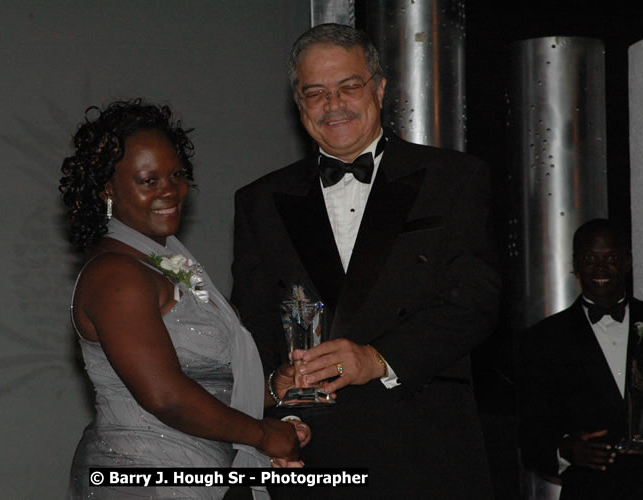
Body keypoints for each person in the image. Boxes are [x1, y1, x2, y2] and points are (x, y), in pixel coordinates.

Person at [230, 23, 500, 499]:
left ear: (378, 88)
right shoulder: (261, 200)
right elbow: (254, 319)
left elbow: (474, 300)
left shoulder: (454, 178)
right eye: (315, 93)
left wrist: (376, 359)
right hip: (310, 455)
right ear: (298, 104)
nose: (333, 105)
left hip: (425, 451)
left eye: (348, 86)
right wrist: (277, 397)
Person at [60, 99, 310, 499]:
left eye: (177, 174)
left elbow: (207, 381)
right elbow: (166, 397)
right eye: (149, 180)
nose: (170, 190)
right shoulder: (116, 275)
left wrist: (273, 388)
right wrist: (263, 435)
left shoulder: (166, 260)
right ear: (108, 188)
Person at [519, 218, 643, 499]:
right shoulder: (543, 340)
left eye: (610, 258)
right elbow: (530, 436)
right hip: (589, 491)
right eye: (589, 259)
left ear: (627, 262)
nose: (600, 268)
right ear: (576, 265)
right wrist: (565, 450)